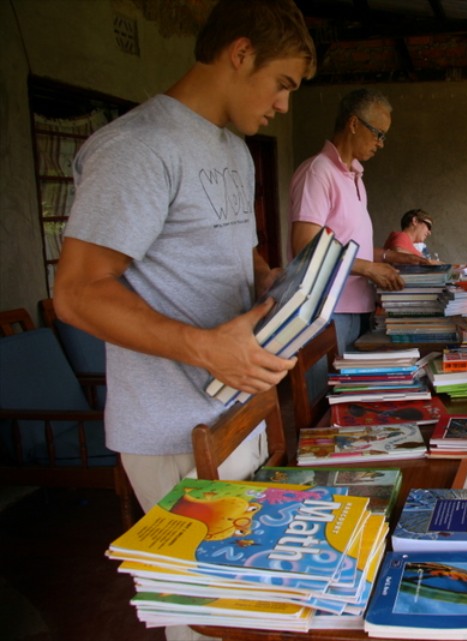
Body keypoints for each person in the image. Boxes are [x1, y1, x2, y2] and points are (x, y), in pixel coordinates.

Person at [52, 1, 316, 638]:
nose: (284, 105)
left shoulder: (234, 149)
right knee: (208, 622)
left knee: (257, 605)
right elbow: (78, 293)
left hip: (238, 409)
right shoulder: (137, 148)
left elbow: (233, 247)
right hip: (173, 428)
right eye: (282, 84)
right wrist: (204, 348)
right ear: (240, 53)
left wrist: (270, 280)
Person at [289, 88, 431, 354]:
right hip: (327, 309)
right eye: (378, 134)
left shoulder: (355, 176)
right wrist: (368, 269)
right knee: (328, 381)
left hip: (357, 306)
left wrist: (393, 257)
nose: (381, 143)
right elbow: (305, 249)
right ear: (353, 124)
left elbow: (351, 247)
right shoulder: (317, 172)